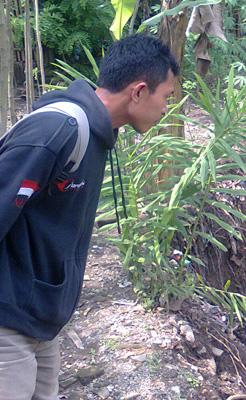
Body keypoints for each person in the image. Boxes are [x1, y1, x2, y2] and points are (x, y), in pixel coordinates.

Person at [0, 34, 179, 400]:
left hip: (43, 321)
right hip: (8, 320)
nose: (166, 111)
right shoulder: (57, 131)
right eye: (167, 98)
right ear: (139, 91)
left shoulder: (101, 134)